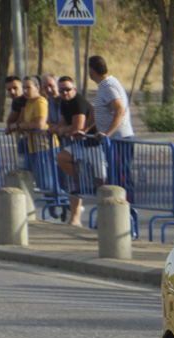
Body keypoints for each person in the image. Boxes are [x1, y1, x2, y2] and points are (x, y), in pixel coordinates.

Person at [86, 55, 135, 193]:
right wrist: (84, 129)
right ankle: (119, 207)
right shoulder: (104, 86)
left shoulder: (108, 85)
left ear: (92, 70)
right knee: (115, 176)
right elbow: (96, 111)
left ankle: (127, 210)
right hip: (112, 140)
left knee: (121, 177)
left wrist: (107, 134)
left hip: (119, 139)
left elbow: (119, 109)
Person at [52, 76, 96, 227]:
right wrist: (62, 128)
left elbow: (77, 128)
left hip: (94, 145)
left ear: (74, 90)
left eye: (67, 89)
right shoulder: (64, 103)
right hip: (79, 146)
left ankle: (105, 219)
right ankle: (75, 219)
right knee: (62, 160)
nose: (64, 93)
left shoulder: (78, 102)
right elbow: (62, 125)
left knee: (102, 184)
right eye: (61, 90)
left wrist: (63, 129)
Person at [16, 76, 52, 155]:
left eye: (28, 88)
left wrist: (19, 125)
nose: (25, 91)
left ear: (37, 88)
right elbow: (23, 120)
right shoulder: (28, 102)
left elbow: (40, 125)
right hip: (32, 147)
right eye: (23, 88)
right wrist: (19, 129)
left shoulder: (40, 102)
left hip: (44, 147)